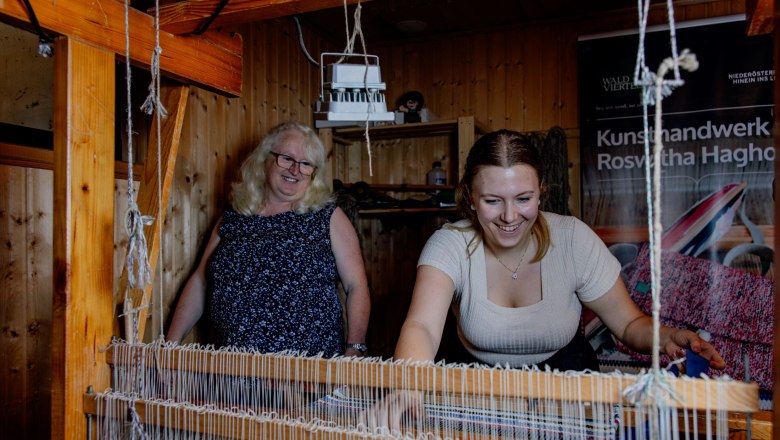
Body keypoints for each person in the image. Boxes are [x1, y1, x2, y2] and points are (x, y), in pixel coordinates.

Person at [394, 129, 726, 371]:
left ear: (541, 192)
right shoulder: (450, 243)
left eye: (523, 199)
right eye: (492, 201)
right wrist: (406, 386)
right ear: (469, 196)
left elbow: (627, 325)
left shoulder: (572, 239)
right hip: (473, 381)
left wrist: (667, 336)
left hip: (565, 379)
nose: (510, 217)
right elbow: (421, 327)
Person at [167, 121, 371, 358]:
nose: (295, 169)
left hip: (309, 375)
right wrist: (170, 346)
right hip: (236, 370)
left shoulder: (328, 216)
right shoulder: (235, 215)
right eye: (286, 158)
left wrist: (354, 348)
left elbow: (357, 286)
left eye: (306, 164)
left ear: (313, 174)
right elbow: (200, 281)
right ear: (264, 159)